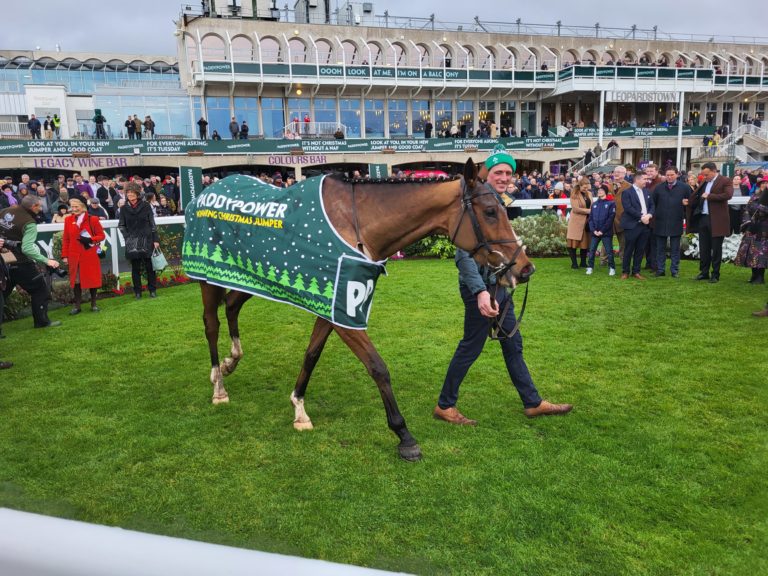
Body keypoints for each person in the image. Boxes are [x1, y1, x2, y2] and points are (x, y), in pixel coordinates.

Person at [434, 147, 573, 425]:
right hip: (480, 289)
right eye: (498, 172)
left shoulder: (497, 199)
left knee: (512, 342)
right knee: (471, 346)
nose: (504, 177)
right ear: (488, 172)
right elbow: (464, 253)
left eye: (509, 173)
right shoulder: (479, 198)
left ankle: (532, 402)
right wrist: (480, 292)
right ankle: (444, 405)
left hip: (497, 285)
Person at [0, 196, 62, 328]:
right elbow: (27, 248)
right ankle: (42, 322)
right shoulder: (29, 223)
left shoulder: (5, 211)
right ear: (33, 206)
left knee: (2, 294)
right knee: (40, 290)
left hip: (2, 262)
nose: (40, 208)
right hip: (20, 262)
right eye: (39, 206)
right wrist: (47, 261)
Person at [688, 162, 733, 283]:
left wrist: (710, 196)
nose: (704, 176)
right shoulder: (705, 181)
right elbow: (698, 195)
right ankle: (704, 272)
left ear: (714, 171)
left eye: (706, 174)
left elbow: (728, 195)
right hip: (703, 218)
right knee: (704, 248)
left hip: (717, 220)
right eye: (703, 174)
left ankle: (715, 274)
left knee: (716, 249)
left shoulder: (725, 180)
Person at [61, 196, 105, 314]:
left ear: (83, 207)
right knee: (76, 281)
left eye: (77, 206)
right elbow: (66, 239)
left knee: (92, 279)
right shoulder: (68, 220)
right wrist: (65, 256)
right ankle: (77, 306)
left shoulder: (93, 219)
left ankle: (94, 304)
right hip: (74, 255)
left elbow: (101, 236)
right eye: (72, 206)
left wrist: (91, 239)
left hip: (89, 254)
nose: (74, 209)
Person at [118, 182, 160, 299]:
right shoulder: (124, 208)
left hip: (147, 239)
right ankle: (138, 292)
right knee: (135, 268)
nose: (130, 195)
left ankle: (152, 290)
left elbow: (152, 223)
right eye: (128, 193)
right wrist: (127, 237)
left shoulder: (146, 206)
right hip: (132, 241)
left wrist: (155, 239)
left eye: (132, 193)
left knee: (149, 267)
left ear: (137, 194)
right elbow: (121, 225)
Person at [651, 167, 691, 278]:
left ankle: (674, 270)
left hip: (676, 221)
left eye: (672, 175)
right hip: (660, 222)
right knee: (660, 249)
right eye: (667, 175)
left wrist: (686, 205)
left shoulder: (685, 187)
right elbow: (653, 204)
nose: (669, 177)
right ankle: (660, 269)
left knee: (675, 249)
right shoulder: (658, 188)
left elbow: (691, 202)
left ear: (677, 174)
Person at [620, 172, 655, 280]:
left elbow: (652, 205)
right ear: (637, 180)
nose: (647, 181)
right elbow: (628, 208)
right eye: (644, 179)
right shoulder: (627, 192)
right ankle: (625, 271)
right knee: (629, 249)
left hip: (645, 226)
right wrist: (641, 217)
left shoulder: (647, 191)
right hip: (632, 225)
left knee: (640, 250)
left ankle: (636, 271)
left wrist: (649, 215)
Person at [734, 176, 768, 285]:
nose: (764, 185)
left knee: (761, 254)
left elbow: (763, 211)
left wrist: (762, 209)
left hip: (764, 230)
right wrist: (747, 222)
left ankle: (760, 277)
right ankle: (754, 275)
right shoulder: (754, 197)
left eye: (766, 183)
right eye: (762, 183)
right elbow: (746, 210)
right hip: (752, 228)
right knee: (751, 253)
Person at [585, 183, 616, 276]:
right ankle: (590, 267)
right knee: (592, 250)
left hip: (606, 232)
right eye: (598, 190)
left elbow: (610, 219)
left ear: (605, 192)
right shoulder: (594, 204)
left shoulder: (611, 203)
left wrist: (602, 230)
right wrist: (594, 230)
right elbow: (590, 219)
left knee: (609, 251)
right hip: (595, 232)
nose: (599, 191)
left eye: (601, 190)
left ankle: (612, 268)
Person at [566, 179, 592, 268]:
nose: (586, 189)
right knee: (573, 243)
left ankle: (583, 262)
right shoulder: (574, 195)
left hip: (587, 222)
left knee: (585, 243)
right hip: (576, 222)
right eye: (584, 187)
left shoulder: (589, 194)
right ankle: (574, 263)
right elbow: (576, 209)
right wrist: (590, 211)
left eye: (587, 187)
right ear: (580, 186)